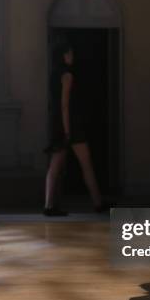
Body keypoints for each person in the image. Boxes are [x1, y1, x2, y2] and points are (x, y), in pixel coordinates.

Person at [43, 41, 105, 216]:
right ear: (64, 55)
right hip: (69, 126)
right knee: (86, 164)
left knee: (54, 167)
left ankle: (48, 205)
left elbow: (56, 105)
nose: (72, 57)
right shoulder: (67, 75)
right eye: (69, 54)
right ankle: (98, 203)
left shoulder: (54, 74)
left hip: (58, 124)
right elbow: (65, 105)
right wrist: (67, 130)